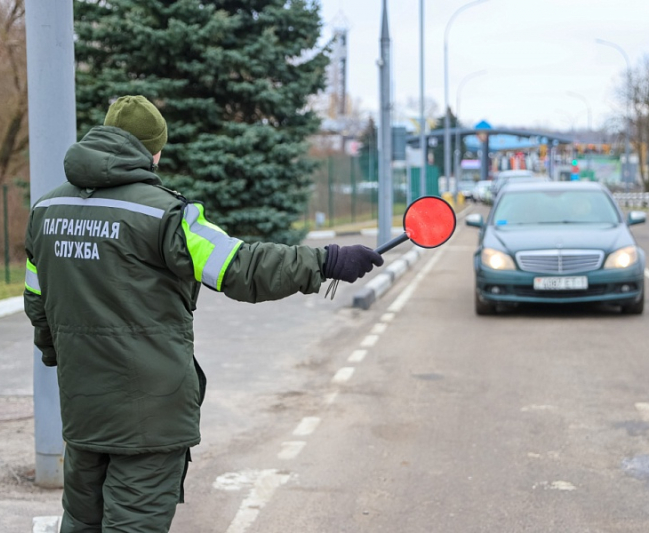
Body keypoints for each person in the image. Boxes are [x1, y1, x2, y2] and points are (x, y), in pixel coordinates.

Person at [23, 95, 384, 533]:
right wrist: (325, 261)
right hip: (150, 422)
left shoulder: (45, 211)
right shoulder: (163, 214)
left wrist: (64, 359)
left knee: (80, 524)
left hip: (83, 413)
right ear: (153, 152)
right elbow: (240, 266)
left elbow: (37, 305)